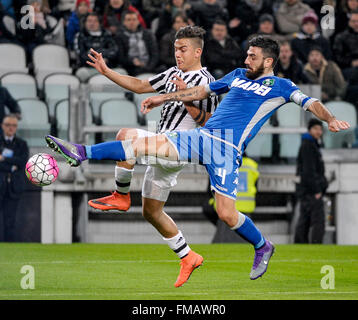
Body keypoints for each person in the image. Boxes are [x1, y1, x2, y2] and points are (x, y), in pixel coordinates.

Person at [45, 37, 350, 284]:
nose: (246, 60)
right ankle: (80, 153)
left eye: (253, 56)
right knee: (138, 144)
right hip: (202, 139)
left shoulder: (283, 87)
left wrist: (331, 119)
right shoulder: (237, 75)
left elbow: (311, 103)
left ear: (269, 61)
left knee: (227, 214)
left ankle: (262, 246)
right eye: (247, 54)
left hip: (226, 151)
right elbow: (200, 91)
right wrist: (163, 98)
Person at [68, 26, 217, 288]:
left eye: (183, 49)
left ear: (197, 51)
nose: (178, 54)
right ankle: (188, 256)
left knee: (126, 134)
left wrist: (186, 101)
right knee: (151, 212)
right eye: (175, 49)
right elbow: (140, 85)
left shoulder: (207, 82)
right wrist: (106, 71)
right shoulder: (172, 73)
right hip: (160, 146)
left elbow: (209, 124)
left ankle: (109, 181)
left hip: (177, 150)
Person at [294, 119, 327, 244]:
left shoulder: (310, 144)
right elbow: (309, 171)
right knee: (318, 220)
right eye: (316, 129)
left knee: (305, 219)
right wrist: (317, 190)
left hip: (306, 189)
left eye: (320, 129)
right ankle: (316, 244)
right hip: (312, 190)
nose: (319, 132)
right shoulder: (309, 146)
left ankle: (300, 244)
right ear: (310, 130)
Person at [0, 114, 29, 241]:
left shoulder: (22, 144)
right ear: (2, 126)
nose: (11, 128)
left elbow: (22, 162)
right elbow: (16, 163)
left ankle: (8, 248)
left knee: (10, 220)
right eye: (8, 125)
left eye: (14, 125)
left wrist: (4, 159)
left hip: (14, 187)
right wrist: (12, 166)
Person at [74, 12, 119, 82]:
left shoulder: (107, 34)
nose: (92, 23)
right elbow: (81, 55)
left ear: (99, 23)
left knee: (122, 72)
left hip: (107, 68)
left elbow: (114, 51)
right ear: (85, 23)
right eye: (89, 21)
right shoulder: (80, 36)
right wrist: (99, 61)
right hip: (88, 69)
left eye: (95, 21)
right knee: (81, 73)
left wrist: (103, 58)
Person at [114, 10, 158, 76]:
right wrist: (132, 62)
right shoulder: (119, 36)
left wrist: (149, 67)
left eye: (134, 19)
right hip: (131, 68)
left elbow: (155, 54)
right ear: (124, 22)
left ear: (138, 21)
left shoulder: (148, 34)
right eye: (129, 20)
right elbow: (121, 57)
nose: (132, 22)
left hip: (149, 66)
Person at [333, 11, 358, 80]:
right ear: (349, 22)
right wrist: (351, 62)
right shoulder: (341, 37)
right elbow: (337, 57)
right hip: (348, 68)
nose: (356, 24)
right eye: (353, 21)